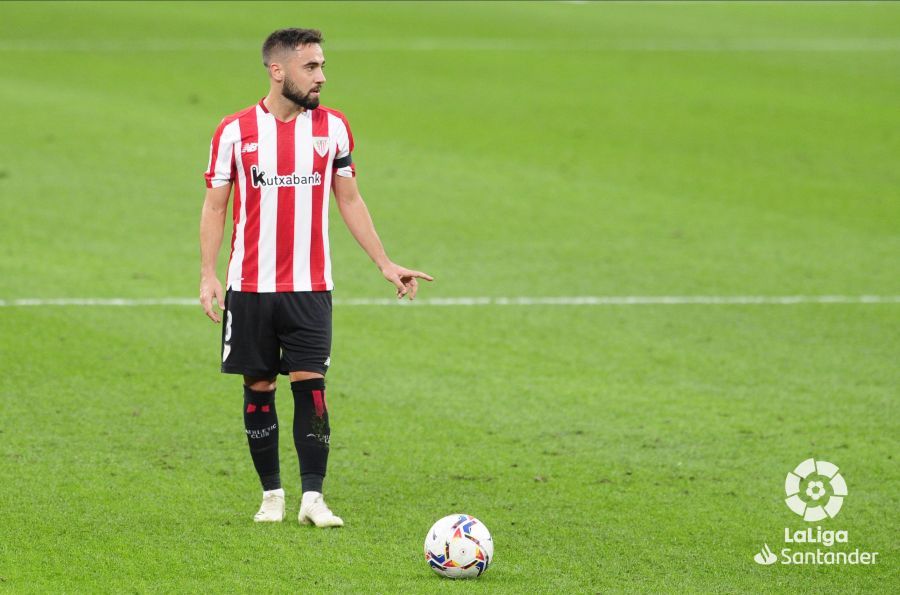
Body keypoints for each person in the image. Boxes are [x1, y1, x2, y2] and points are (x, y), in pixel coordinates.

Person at [198, 28, 432, 527]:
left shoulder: (334, 129)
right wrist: (208, 274)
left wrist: (385, 263)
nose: (321, 76)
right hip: (251, 288)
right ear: (277, 70)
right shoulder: (235, 132)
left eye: (323, 66)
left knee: (313, 385)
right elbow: (215, 205)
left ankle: (312, 498)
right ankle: (271, 496)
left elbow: (349, 198)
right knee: (258, 387)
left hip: (311, 288)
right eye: (311, 67)